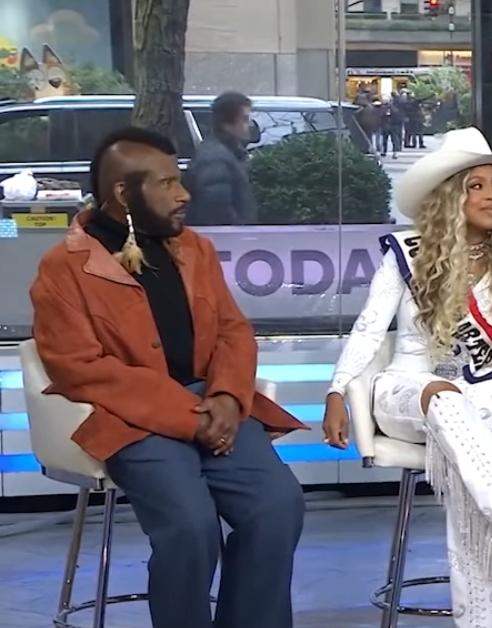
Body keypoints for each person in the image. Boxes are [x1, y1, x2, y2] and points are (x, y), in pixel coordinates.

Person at [29, 127, 307, 628]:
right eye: (167, 184)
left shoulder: (193, 249)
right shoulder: (62, 269)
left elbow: (231, 330)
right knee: (191, 526)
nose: (184, 194)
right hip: (131, 420)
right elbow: (80, 368)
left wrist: (225, 396)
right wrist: (189, 416)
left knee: (278, 507)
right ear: (123, 194)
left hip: (214, 406)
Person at [321, 127, 492, 628]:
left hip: (490, 392)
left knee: (464, 462)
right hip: (409, 390)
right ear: (450, 197)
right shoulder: (406, 256)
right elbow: (369, 330)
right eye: (476, 185)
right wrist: (335, 390)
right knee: (443, 394)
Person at [185, 91, 259, 226]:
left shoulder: (225, 153)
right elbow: (217, 211)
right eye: (244, 119)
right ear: (226, 123)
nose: (249, 125)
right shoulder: (215, 159)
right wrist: (240, 233)